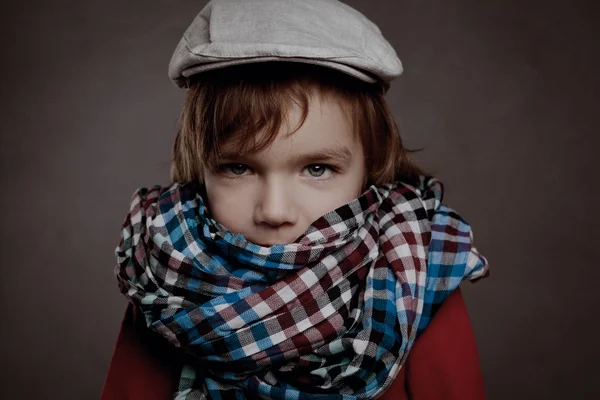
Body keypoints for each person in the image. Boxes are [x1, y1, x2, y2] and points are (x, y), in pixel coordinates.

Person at [102, 0, 490, 399]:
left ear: (370, 169)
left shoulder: (415, 276)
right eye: (238, 168)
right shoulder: (165, 283)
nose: (275, 211)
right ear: (199, 168)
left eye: (317, 169)